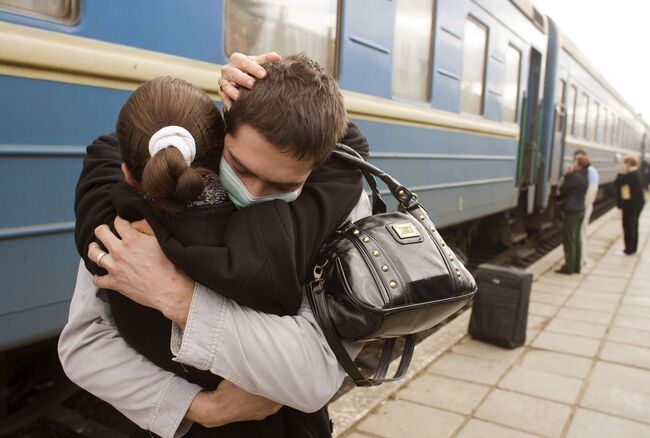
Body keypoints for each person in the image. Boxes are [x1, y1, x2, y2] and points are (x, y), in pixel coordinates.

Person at [60, 53, 371, 437]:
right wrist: (202, 408)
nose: (253, 194)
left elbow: (318, 371)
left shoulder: (127, 208)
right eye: (239, 169)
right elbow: (85, 340)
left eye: (282, 187)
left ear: (316, 166)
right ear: (222, 128)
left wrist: (177, 297)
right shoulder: (158, 182)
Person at [556, 154, 589, 275]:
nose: (572, 164)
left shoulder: (574, 177)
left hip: (572, 211)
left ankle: (568, 267)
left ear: (579, 165)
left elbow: (563, 190)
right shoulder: (584, 176)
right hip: (580, 209)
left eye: (574, 162)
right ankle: (576, 266)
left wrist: (567, 175)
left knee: (569, 239)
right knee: (577, 239)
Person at [614, 155, 646, 255]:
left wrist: (621, 172)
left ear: (628, 164)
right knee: (634, 226)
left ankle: (628, 249)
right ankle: (633, 248)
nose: (623, 165)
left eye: (624, 163)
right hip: (636, 204)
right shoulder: (637, 173)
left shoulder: (630, 174)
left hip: (631, 205)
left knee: (628, 226)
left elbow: (617, 182)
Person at [573, 149, 599, 267]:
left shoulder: (590, 172)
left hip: (584, 207)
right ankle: (580, 258)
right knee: (581, 233)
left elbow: (591, 191)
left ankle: (580, 259)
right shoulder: (589, 171)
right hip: (584, 206)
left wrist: (582, 206)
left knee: (580, 234)